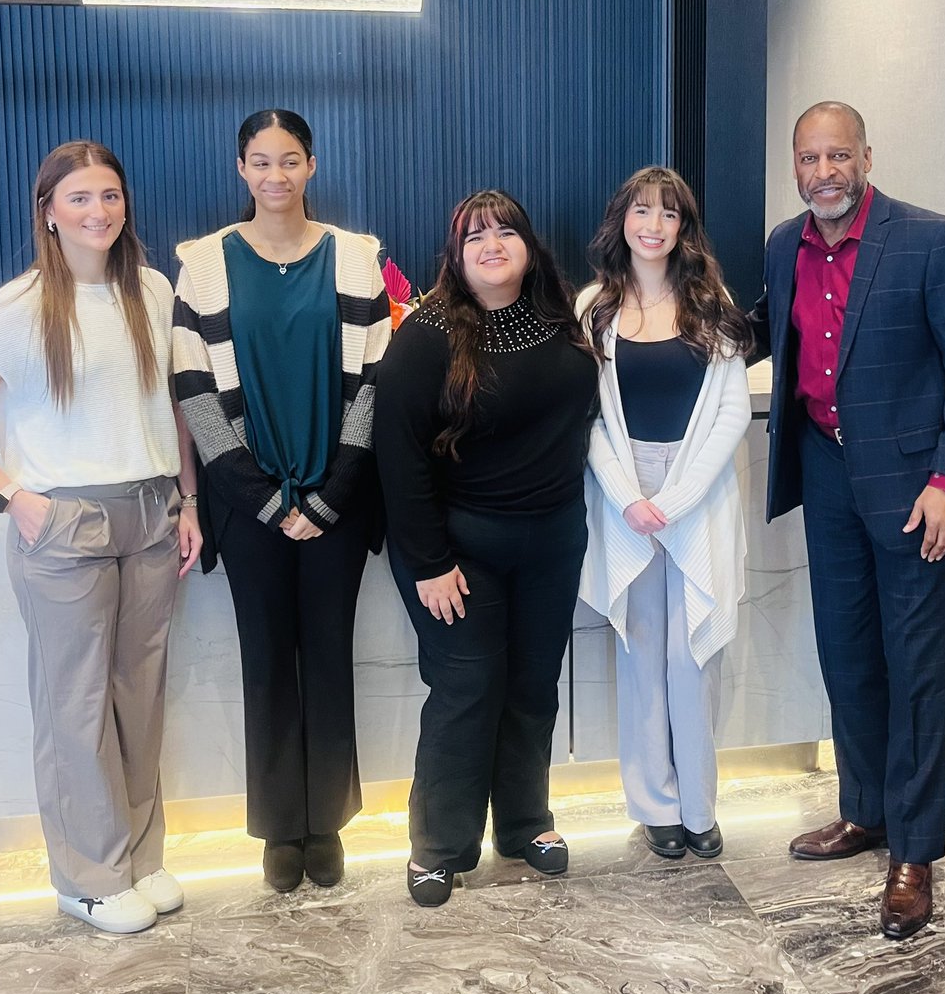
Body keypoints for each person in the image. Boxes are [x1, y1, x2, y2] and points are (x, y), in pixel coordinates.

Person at [0, 141, 202, 934]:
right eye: (79, 198)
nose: (98, 212)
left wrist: (186, 498)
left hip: (149, 511)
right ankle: (87, 876)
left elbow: (171, 407)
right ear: (48, 209)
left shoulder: (151, 289)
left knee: (138, 699)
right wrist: (13, 497)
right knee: (73, 704)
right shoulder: (16, 308)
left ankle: (139, 860)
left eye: (110, 195)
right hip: (63, 521)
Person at [750, 101, 945, 939]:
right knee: (848, 651)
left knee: (917, 666)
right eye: (809, 158)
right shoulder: (785, 243)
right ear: (795, 165)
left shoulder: (929, 240)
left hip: (911, 487)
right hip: (826, 472)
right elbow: (755, 330)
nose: (824, 172)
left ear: (866, 157)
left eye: (839, 156)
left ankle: (915, 850)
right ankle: (864, 811)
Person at [172, 109, 390, 893]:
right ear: (241, 170)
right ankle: (278, 830)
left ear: (312, 166)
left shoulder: (357, 258)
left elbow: (373, 385)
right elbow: (194, 394)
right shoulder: (201, 267)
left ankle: (324, 822)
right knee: (266, 661)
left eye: (289, 161)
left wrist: (329, 497)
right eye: (260, 163)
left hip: (337, 500)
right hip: (247, 502)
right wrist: (264, 501)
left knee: (328, 657)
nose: (275, 176)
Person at [374, 189, 598, 907]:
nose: (491, 245)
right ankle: (440, 845)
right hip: (458, 554)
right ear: (456, 254)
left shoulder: (563, 319)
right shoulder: (426, 334)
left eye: (505, 232)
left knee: (533, 687)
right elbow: (399, 459)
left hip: (553, 541)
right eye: (476, 237)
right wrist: (430, 563)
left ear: (529, 244)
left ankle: (526, 823)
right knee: (466, 690)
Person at [577, 167, 752, 861]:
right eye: (642, 211)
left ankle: (699, 806)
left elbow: (733, 411)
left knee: (692, 653)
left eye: (669, 214)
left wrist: (672, 501)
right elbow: (587, 417)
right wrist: (628, 498)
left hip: (695, 494)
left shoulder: (710, 301)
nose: (653, 225)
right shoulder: (595, 304)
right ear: (622, 219)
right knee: (641, 652)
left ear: (684, 229)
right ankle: (655, 807)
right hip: (625, 494)